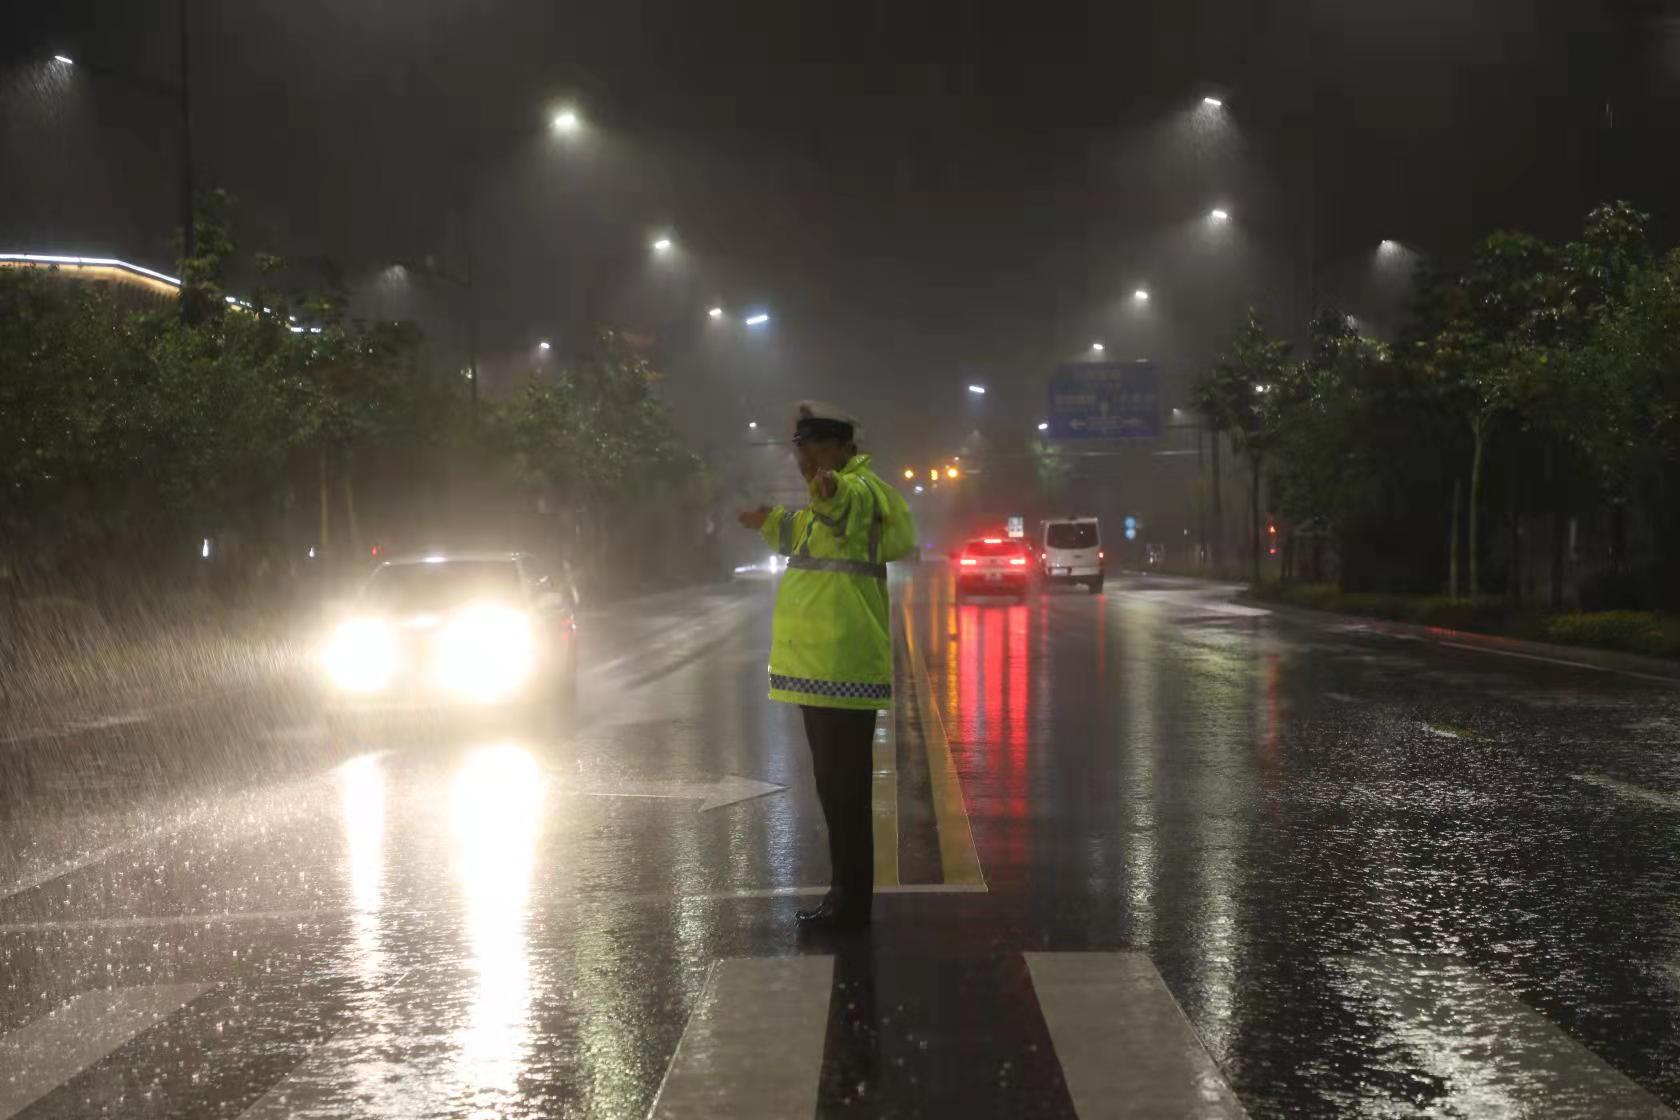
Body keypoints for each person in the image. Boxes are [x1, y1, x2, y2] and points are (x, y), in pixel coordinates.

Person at [738, 402, 915, 930]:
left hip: (841, 667)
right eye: (802, 449)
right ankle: (847, 894)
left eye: (817, 447)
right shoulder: (828, 502)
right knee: (836, 790)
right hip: (827, 670)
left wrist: (830, 489)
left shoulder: (856, 491)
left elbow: (839, 507)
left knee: (845, 792)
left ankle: (849, 902)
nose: (807, 459)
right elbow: (805, 531)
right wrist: (769, 521)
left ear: (842, 449)